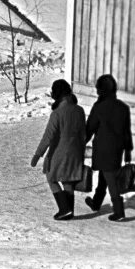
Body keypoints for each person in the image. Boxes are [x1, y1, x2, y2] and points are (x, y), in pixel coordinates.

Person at [31, 79, 86, 221]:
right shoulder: (79, 110)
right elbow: (83, 135)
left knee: (51, 178)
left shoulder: (57, 113)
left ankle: (64, 209)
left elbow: (48, 136)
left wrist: (38, 154)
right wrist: (81, 152)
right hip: (75, 151)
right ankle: (69, 211)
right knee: (67, 180)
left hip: (59, 152)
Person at [84, 73, 134, 222]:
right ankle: (96, 202)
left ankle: (119, 212)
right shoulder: (123, 108)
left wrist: (81, 143)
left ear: (101, 90)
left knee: (110, 178)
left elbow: (90, 128)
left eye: (98, 89)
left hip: (103, 150)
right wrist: (128, 151)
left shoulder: (99, 107)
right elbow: (127, 131)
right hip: (117, 150)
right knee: (105, 175)